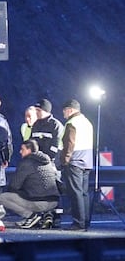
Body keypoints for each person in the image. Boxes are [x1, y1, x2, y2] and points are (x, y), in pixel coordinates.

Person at [0, 139, 60, 229]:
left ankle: (31, 216)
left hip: (39, 203)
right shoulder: (48, 162)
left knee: (2, 198)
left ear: (29, 150)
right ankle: (47, 214)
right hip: (54, 202)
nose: (20, 152)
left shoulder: (26, 163)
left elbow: (14, 186)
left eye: (22, 149)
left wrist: (22, 191)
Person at [60, 99, 93, 231]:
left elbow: (70, 143)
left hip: (75, 161)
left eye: (64, 110)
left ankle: (78, 223)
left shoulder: (72, 123)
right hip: (87, 160)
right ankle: (85, 221)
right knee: (84, 193)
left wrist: (65, 160)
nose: (63, 113)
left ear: (70, 109)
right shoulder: (87, 122)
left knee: (75, 193)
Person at [30, 98, 64, 164]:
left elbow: (56, 145)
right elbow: (31, 142)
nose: (36, 112)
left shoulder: (56, 125)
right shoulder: (35, 124)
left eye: (38, 110)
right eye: (35, 110)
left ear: (46, 111)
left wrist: (48, 159)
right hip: (36, 161)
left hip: (52, 163)